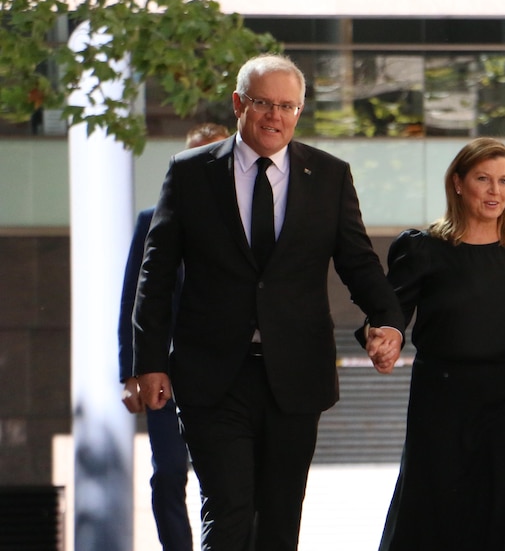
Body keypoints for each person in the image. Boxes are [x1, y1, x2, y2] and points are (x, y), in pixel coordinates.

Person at [132, 53, 405, 551]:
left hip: (295, 374)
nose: (274, 116)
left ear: (299, 112)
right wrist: (146, 364)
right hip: (212, 375)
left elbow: (358, 262)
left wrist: (387, 320)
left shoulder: (328, 176)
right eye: (262, 103)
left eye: (287, 106)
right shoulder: (190, 174)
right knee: (228, 509)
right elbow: (157, 273)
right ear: (239, 103)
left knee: (280, 518)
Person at [367, 137, 505, 551]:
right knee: (439, 513)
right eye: (483, 179)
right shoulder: (421, 248)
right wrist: (385, 335)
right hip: (444, 401)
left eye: (504, 181)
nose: (496, 191)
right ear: (457, 183)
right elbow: (390, 310)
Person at [118, 122, 231, 551]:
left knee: (222, 477)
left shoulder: (246, 222)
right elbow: (133, 299)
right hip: (163, 372)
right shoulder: (153, 221)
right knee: (168, 472)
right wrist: (130, 373)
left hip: (222, 373)